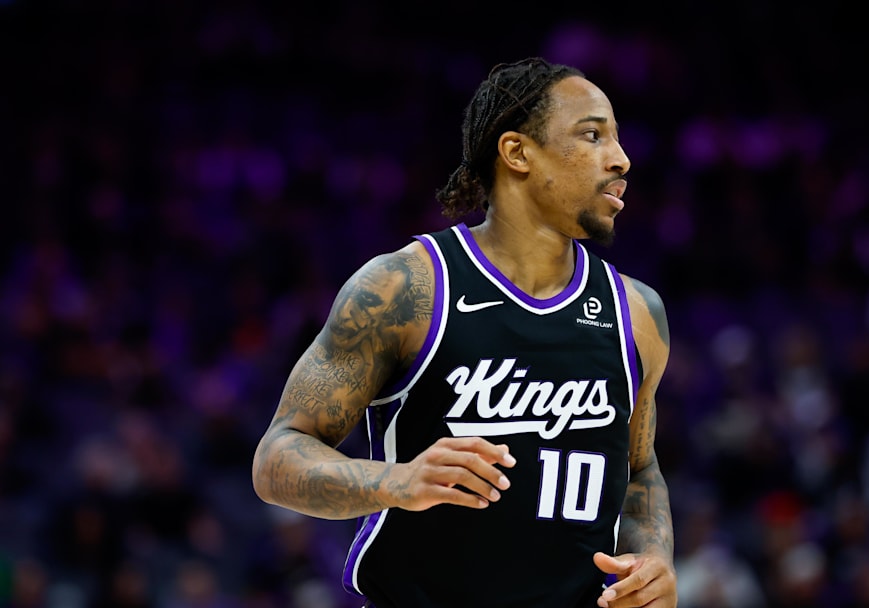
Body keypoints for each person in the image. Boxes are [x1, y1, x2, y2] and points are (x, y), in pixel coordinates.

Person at [251, 56, 677, 608]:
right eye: (592, 135)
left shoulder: (637, 312)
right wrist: (397, 482)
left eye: (617, 139)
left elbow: (640, 470)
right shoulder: (406, 288)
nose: (620, 159)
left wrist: (654, 560)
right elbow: (277, 459)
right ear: (517, 152)